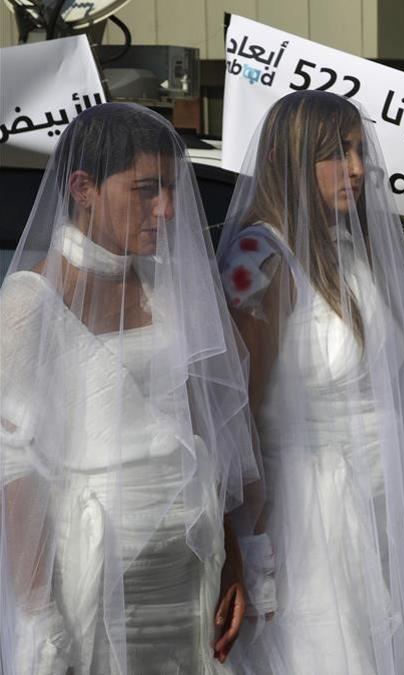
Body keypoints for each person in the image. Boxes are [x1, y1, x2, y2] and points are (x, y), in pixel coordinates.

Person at [216, 90, 404, 675]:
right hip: (304, 525)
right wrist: (249, 552)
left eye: (359, 151)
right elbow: (240, 417)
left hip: (377, 509)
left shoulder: (350, 252)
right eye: (336, 153)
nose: (356, 169)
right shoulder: (260, 257)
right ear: (288, 158)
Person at [0, 103, 259, 674]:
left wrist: (232, 561)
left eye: (170, 190)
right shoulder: (27, 304)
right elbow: (15, 472)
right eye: (146, 190)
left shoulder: (170, 288)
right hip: (93, 581)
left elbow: (204, 433)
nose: (165, 210)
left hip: (191, 575)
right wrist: (42, 619)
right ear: (83, 187)